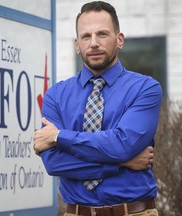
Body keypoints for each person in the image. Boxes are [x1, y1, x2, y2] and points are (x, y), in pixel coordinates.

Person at [34, 1, 162, 216]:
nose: (93, 43)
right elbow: (54, 163)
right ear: (77, 44)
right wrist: (121, 163)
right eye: (86, 36)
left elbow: (121, 145)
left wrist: (58, 137)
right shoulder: (56, 95)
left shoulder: (145, 88)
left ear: (119, 40)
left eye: (102, 34)